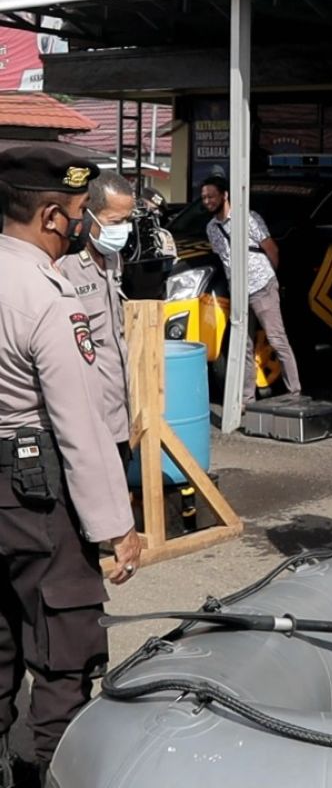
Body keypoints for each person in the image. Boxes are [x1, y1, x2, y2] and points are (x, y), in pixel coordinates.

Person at [0, 146, 142, 783]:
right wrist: (117, 526)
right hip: (35, 492)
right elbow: (81, 427)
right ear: (53, 217)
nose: (85, 227)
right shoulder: (47, 295)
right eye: (82, 213)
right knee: (64, 652)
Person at [200, 175, 301, 406]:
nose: (207, 201)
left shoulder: (248, 218)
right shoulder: (211, 228)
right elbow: (224, 258)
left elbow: (271, 248)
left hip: (261, 286)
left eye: (211, 196)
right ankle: (247, 398)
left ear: (224, 195)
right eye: (204, 197)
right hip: (238, 292)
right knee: (242, 345)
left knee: (276, 339)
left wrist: (270, 278)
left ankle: (295, 392)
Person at [58, 172, 134, 468]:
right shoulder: (65, 266)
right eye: (115, 222)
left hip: (120, 411)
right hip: (89, 420)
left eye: (127, 220)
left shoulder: (114, 258)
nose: (124, 230)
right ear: (88, 216)